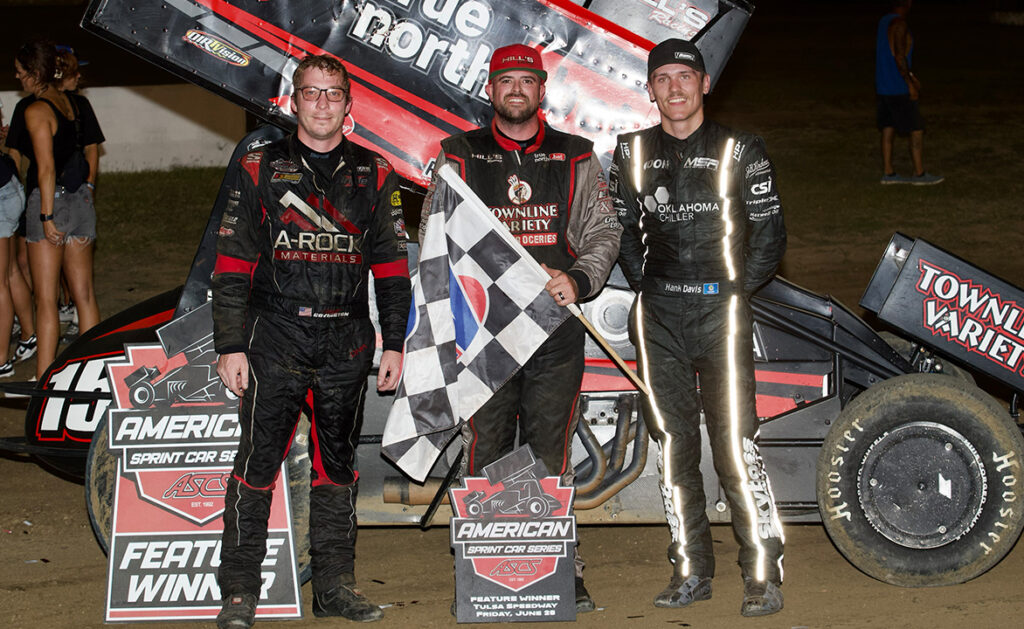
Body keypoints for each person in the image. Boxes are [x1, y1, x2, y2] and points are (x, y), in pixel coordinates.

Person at [419, 43, 621, 612]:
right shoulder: (458, 156)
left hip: (554, 330)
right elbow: (432, 241)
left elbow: (604, 234)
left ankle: (559, 564)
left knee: (548, 448)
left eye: (526, 81)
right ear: (490, 89)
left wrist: (580, 279)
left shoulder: (576, 156)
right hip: (483, 332)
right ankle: (484, 565)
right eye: (504, 80)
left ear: (541, 90)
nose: (515, 90)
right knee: (485, 447)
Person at [211, 54, 410, 629]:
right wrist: (230, 344)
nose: (322, 103)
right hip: (274, 334)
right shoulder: (259, 166)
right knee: (256, 464)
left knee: (338, 468)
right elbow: (230, 265)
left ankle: (335, 588)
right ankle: (240, 592)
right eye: (311, 93)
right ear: (292, 101)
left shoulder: (375, 173)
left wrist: (393, 342)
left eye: (333, 94)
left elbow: (392, 270)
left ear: (349, 105)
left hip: (347, 339)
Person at [609, 39, 786, 616]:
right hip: (658, 315)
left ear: (705, 84)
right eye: (663, 78)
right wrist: (649, 287)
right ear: (651, 88)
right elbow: (623, 235)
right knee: (673, 445)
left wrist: (731, 291)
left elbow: (769, 237)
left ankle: (761, 572)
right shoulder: (631, 150)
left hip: (721, 313)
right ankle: (691, 569)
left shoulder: (742, 148)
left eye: (686, 76)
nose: (675, 88)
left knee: (734, 444)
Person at [10, 40, 103, 380]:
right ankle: (92, 373)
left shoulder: (36, 111)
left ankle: (44, 379)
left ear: (35, 74)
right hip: (82, 203)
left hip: (53, 204)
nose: (18, 79)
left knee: (46, 300)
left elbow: (46, 169)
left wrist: (46, 216)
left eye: (21, 74)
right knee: (85, 296)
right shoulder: (72, 103)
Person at [876, 0, 942, 185]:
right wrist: (909, 82)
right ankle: (919, 174)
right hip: (898, 87)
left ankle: (888, 173)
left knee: (888, 128)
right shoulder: (899, 24)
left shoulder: (884, 21)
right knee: (916, 128)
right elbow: (899, 55)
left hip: (883, 85)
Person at [0, 100, 36, 376]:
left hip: (2, 193)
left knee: (0, 281)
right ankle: (28, 334)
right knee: (10, 271)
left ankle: (1, 360)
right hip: (9, 185)